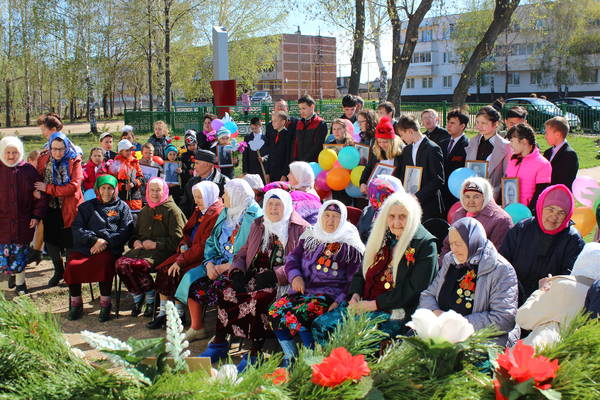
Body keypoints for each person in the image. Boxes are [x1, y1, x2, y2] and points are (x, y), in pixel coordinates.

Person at [202, 189, 310, 370]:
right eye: (270, 204)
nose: (273, 209)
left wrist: (275, 275)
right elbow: (242, 253)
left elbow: (302, 263)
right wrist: (236, 272)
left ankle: (254, 352)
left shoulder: (300, 229)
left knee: (258, 299)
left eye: (278, 204)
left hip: (280, 280)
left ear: (287, 206)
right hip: (254, 274)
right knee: (226, 291)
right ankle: (220, 343)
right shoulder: (258, 223)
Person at [314, 192, 437, 343]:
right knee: (321, 325)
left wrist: (373, 305)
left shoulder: (425, 244)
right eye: (391, 216)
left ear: (412, 217)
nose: (396, 222)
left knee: (354, 337)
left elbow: (413, 289)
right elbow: (362, 270)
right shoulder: (384, 234)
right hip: (365, 303)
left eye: (402, 216)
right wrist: (355, 294)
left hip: (397, 310)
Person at [270, 200, 364, 363]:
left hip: (328, 295)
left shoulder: (350, 245)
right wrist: (295, 277)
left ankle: (311, 359)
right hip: (302, 291)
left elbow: (353, 279)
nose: (330, 220)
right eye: (326, 215)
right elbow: (293, 258)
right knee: (274, 312)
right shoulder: (311, 235)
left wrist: (340, 300)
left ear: (343, 219)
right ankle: (290, 356)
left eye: (335, 216)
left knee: (301, 316)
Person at [175, 179, 262, 346]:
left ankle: (225, 333)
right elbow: (211, 241)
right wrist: (209, 264)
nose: (222, 197)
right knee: (194, 282)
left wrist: (225, 267)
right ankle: (197, 327)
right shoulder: (227, 211)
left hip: (239, 268)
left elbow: (251, 252)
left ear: (237, 196)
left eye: (226, 194)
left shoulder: (253, 216)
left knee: (222, 288)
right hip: (216, 263)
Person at [419, 217, 518, 346]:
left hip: (479, 341)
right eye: (452, 243)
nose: (454, 249)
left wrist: (458, 324)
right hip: (443, 333)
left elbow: (504, 318)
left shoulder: (500, 269)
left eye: (459, 243)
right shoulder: (451, 261)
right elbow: (428, 295)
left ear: (473, 240)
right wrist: (437, 314)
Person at [151, 181, 224, 331]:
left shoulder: (215, 214)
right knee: (164, 269)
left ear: (209, 196)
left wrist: (181, 260)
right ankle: (164, 312)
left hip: (201, 257)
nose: (196, 201)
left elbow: (203, 245)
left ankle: (178, 313)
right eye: (195, 197)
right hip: (189, 252)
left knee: (177, 271)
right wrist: (183, 244)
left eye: (200, 197)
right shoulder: (200, 210)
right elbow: (187, 232)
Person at [500, 184, 585, 304]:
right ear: (541, 206)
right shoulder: (522, 229)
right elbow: (503, 262)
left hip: (549, 301)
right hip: (511, 296)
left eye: (561, 212)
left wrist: (555, 283)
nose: (554, 216)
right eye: (550, 209)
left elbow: (571, 276)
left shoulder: (573, 240)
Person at [115, 177, 186, 318]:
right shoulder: (145, 210)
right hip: (141, 250)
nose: (154, 193)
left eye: (158, 190)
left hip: (163, 252)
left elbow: (178, 240)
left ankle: (151, 300)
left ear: (164, 190)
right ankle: (139, 295)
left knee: (139, 265)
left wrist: (156, 244)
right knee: (120, 264)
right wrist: (134, 242)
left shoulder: (172, 210)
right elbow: (135, 234)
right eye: (151, 190)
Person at [65, 175, 133, 322]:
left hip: (110, 248)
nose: (107, 192)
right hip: (87, 247)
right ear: (98, 189)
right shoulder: (86, 207)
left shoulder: (122, 207)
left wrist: (105, 242)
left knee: (104, 264)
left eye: (110, 188)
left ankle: (105, 304)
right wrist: (94, 240)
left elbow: (125, 230)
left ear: (115, 190)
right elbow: (77, 228)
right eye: (103, 188)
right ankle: (76, 303)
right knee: (72, 265)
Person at [516, 242, 600, 349]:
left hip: (536, 353)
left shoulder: (561, 285)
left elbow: (523, 318)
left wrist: (540, 291)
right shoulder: (595, 292)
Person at [0, 136, 47, 295]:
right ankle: (10, 278)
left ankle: (20, 284)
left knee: (21, 252)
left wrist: (36, 215)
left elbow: (41, 195)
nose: (11, 156)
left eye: (15, 152)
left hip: (23, 220)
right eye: (8, 152)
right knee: (4, 253)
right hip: (3, 222)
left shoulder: (28, 170)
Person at [36, 132, 83, 287]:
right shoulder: (44, 159)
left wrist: (49, 188)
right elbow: (37, 178)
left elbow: (74, 186)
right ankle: (58, 270)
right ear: (49, 147)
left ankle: (70, 271)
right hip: (50, 207)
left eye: (61, 149)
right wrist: (36, 190)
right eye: (54, 149)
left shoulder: (74, 160)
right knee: (50, 240)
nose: (57, 153)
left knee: (69, 240)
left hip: (69, 207)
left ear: (67, 147)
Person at [442, 177, 512, 256]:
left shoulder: (501, 220)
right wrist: (444, 266)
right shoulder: (459, 214)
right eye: (467, 196)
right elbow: (447, 246)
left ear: (485, 196)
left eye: (476, 197)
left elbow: (494, 257)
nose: (471, 201)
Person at [397, 115, 445, 221]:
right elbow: (404, 174)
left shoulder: (432, 148)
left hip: (429, 204)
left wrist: (418, 196)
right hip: (410, 203)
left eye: (402, 134)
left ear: (410, 131)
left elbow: (438, 179)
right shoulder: (407, 150)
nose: (401, 138)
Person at [464, 106, 512, 200]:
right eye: (477, 122)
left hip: (493, 197)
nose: (479, 126)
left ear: (496, 124)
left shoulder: (505, 146)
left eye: (483, 123)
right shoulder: (472, 142)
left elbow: (506, 176)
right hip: (471, 195)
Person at [505, 123, 552, 209]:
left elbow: (540, 194)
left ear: (524, 141)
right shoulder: (512, 159)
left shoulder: (543, 164)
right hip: (509, 210)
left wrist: (528, 214)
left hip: (527, 215)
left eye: (512, 141)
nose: (510, 145)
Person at [359, 116, 404, 193]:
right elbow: (368, 169)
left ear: (392, 141)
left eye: (385, 142)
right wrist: (362, 183)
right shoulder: (376, 151)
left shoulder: (401, 153)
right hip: (376, 193)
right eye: (379, 142)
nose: (382, 145)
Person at [181, 149, 229, 217]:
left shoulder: (225, 183)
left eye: (197, 163)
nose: (194, 166)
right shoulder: (192, 182)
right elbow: (185, 207)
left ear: (208, 164)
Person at [358, 175, 404, 244]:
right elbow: (360, 235)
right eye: (372, 191)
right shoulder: (367, 211)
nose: (373, 196)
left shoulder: (400, 218)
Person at [443, 110, 470, 210]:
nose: (448, 125)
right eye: (448, 122)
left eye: (453, 123)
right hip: (443, 191)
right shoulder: (443, 143)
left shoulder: (467, 146)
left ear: (462, 126)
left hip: (457, 194)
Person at [543, 117, 579, 191]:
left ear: (558, 134)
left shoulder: (569, 155)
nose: (545, 137)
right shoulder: (548, 152)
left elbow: (565, 181)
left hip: (560, 197)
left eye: (547, 133)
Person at [109, 139, 145, 212]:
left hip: (135, 198)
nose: (129, 152)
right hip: (121, 197)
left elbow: (141, 178)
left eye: (130, 150)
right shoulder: (116, 163)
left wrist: (134, 183)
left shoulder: (135, 162)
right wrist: (123, 186)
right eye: (127, 150)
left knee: (135, 218)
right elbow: (112, 181)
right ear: (121, 151)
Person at [293, 95, 328, 163]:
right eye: (300, 109)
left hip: (314, 163)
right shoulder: (299, 123)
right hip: (299, 163)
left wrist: (305, 161)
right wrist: (295, 160)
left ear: (312, 107)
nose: (301, 111)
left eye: (304, 108)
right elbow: (296, 144)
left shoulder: (320, 123)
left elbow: (317, 146)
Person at [264, 111, 292, 183]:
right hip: (272, 172)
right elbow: (270, 154)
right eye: (272, 121)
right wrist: (267, 172)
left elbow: (288, 156)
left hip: (282, 173)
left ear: (283, 122)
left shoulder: (288, 136)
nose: (272, 123)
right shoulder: (273, 135)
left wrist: (285, 174)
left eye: (275, 121)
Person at [242, 117, 267, 182]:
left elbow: (270, 152)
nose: (254, 130)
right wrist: (245, 171)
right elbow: (245, 156)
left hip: (263, 168)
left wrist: (264, 158)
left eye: (256, 128)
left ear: (260, 125)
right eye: (252, 128)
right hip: (251, 169)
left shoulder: (266, 137)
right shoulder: (247, 138)